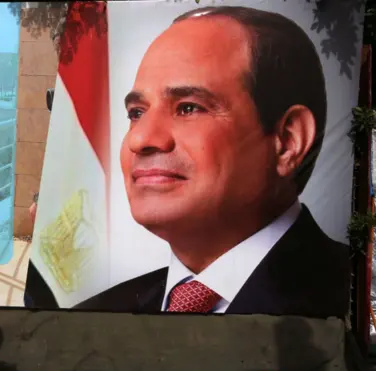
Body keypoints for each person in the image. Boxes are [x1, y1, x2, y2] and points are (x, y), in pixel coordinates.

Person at [75, 6, 350, 317]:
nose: (140, 139)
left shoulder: (356, 306)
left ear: (287, 141)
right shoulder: (93, 316)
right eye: (137, 113)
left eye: (189, 108)